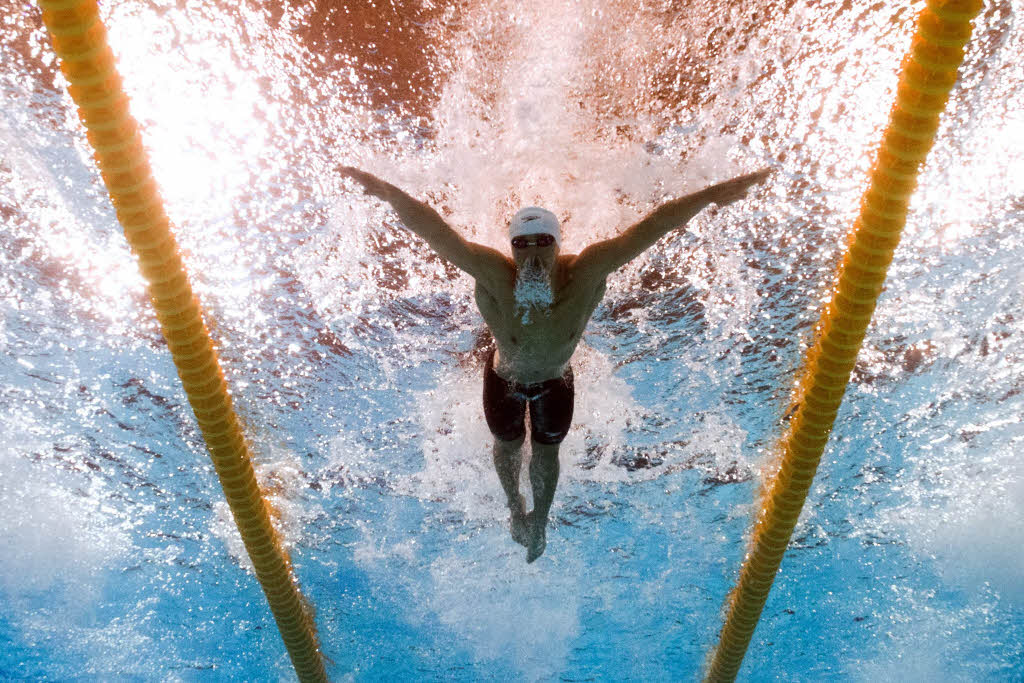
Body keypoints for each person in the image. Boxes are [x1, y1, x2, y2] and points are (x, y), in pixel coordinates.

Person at [339, 165, 771, 562]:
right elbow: (436, 231)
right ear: (511, 247)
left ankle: (539, 520)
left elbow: (655, 225)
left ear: (557, 243)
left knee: (546, 453)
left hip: (553, 382)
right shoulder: (493, 272)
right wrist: (386, 192)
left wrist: (717, 193)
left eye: (542, 242)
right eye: (521, 244)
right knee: (507, 448)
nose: (531, 253)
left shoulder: (587, 271)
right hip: (503, 380)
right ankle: (514, 509)